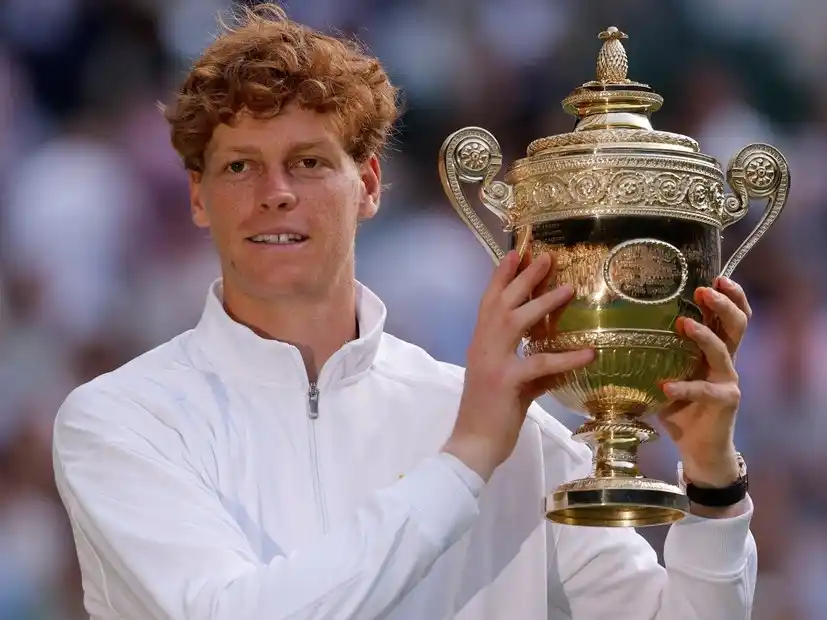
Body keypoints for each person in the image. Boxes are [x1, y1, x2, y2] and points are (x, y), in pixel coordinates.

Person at [52, 5, 757, 619]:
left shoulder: (515, 437)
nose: (274, 193)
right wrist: (465, 459)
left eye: (307, 163)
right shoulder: (121, 419)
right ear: (199, 198)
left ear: (368, 185)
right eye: (239, 166)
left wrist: (713, 487)